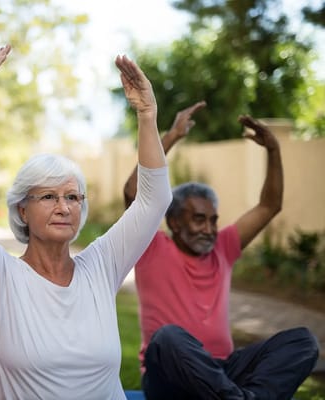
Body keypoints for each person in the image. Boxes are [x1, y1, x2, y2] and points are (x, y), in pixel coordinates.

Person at [0, 45, 172, 399]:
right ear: (22, 210)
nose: (63, 207)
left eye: (73, 197)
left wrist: (147, 115)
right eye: (48, 197)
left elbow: (154, 200)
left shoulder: (101, 268)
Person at [123, 103, 320, 399]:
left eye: (213, 220)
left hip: (222, 371)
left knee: (303, 342)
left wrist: (274, 150)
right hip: (169, 375)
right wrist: (172, 136)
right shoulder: (151, 246)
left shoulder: (223, 247)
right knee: (167, 338)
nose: (209, 228)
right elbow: (132, 191)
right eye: (198, 219)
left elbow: (269, 206)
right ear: (174, 222)